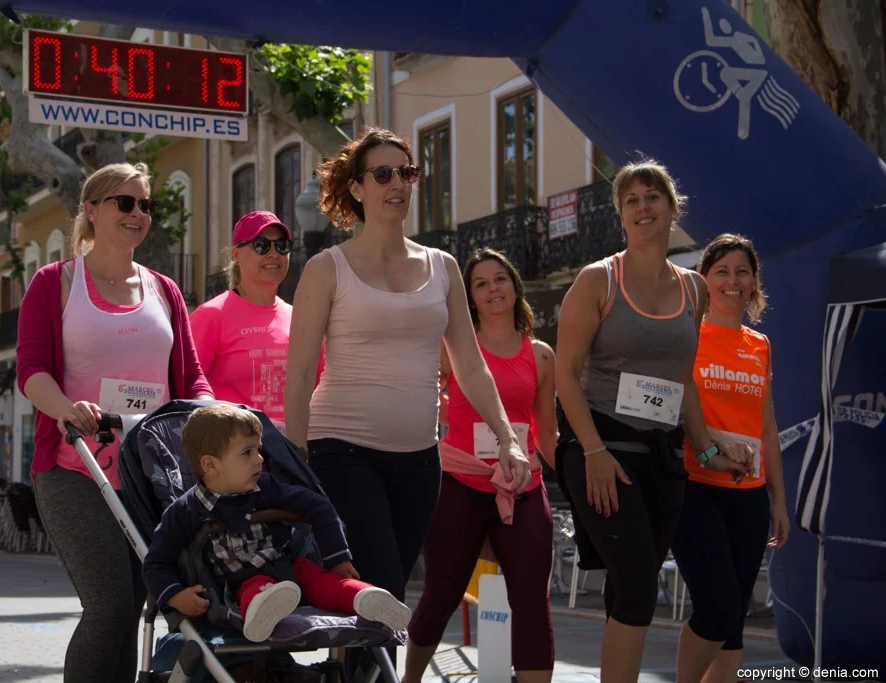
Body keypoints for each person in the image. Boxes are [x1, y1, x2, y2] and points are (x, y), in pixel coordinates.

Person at [284, 127, 531, 671]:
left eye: (407, 172)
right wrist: (296, 456)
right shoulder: (328, 268)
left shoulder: (442, 267)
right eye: (383, 174)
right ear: (356, 189)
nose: (398, 183)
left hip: (421, 461)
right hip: (341, 451)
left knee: (382, 599)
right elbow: (299, 372)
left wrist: (510, 441)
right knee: (381, 591)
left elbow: (469, 363)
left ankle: (342, 676)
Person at [554, 158, 753, 683]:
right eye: (632, 201)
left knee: (630, 590)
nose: (643, 208)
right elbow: (566, 376)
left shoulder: (695, 289)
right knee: (640, 583)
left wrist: (709, 451)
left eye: (652, 198)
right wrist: (592, 451)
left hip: (662, 461)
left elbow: (683, 382)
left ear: (672, 208)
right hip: (603, 451)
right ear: (621, 215)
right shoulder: (599, 279)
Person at [16, 161, 212, 683]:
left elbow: (191, 379)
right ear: (92, 210)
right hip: (76, 469)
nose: (137, 214)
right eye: (125, 203)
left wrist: (211, 417)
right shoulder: (54, 282)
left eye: (145, 205)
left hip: (151, 479)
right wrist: (64, 409)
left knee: (135, 611)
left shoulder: (165, 291)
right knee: (108, 608)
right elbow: (31, 370)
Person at [404, 248, 557, 683]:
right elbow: (422, 401)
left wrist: (582, 471)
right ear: (469, 297)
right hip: (458, 482)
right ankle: (409, 678)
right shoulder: (452, 348)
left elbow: (548, 434)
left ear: (515, 286)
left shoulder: (541, 355)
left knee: (531, 598)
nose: (493, 289)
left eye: (500, 279)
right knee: (442, 595)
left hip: (523, 486)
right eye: (481, 283)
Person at [142, 403, 411, 642]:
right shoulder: (186, 511)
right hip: (241, 583)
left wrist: (337, 559)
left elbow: (317, 505)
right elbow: (156, 562)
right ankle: (263, 613)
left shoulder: (267, 487)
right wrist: (175, 595)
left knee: (322, 579)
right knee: (254, 587)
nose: (260, 459)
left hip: (288, 566)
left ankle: (366, 598)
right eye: (247, 453)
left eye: (258, 450)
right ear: (210, 465)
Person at [670, 233, 789, 683]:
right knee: (717, 605)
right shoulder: (685, 334)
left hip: (750, 496)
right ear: (704, 280)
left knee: (734, 616)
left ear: (754, 281)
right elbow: (669, 407)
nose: (732, 281)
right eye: (721, 271)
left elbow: (767, 427)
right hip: (694, 487)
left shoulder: (759, 344)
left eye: (742, 272)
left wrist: (778, 501)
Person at [189, 211, 322, 435]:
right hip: (231, 456)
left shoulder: (298, 317)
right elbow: (187, 387)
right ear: (236, 255)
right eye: (261, 245)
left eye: (282, 245)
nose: (273, 253)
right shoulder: (211, 315)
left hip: (291, 454)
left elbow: (319, 389)